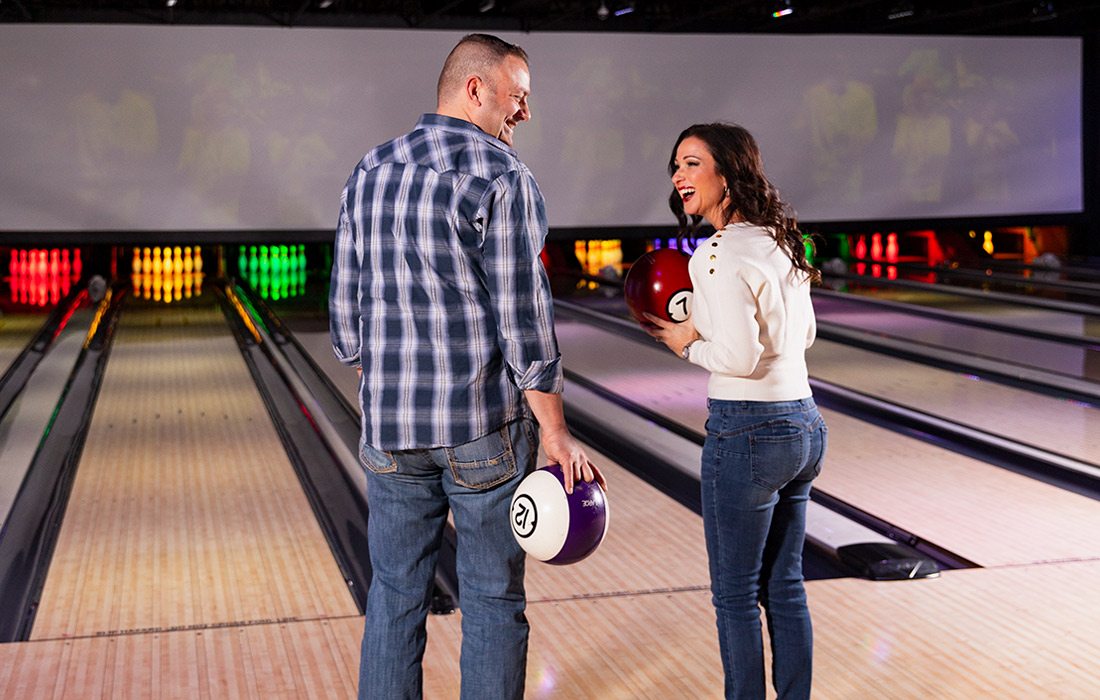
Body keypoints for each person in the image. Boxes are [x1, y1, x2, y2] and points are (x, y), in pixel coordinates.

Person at [329, 33, 604, 700]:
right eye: (519, 96)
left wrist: (378, 378)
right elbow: (524, 320)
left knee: (394, 596)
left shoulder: (370, 168)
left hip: (391, 434)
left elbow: (345, 313)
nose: (526, 113)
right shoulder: (502, 176)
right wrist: (558, 434)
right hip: (481, 430)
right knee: (490, 599)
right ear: (475, 88)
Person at [644, 123, 827, 700]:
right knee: (786, 584)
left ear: (727, 173)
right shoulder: (780, 239)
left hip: (747, 432)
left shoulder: (715, 253)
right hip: (803, 424)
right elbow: (807, 334)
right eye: (676, 165)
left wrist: (685, 344)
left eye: (692, 164)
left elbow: (738, 357)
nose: (678, 176)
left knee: (735, 595)